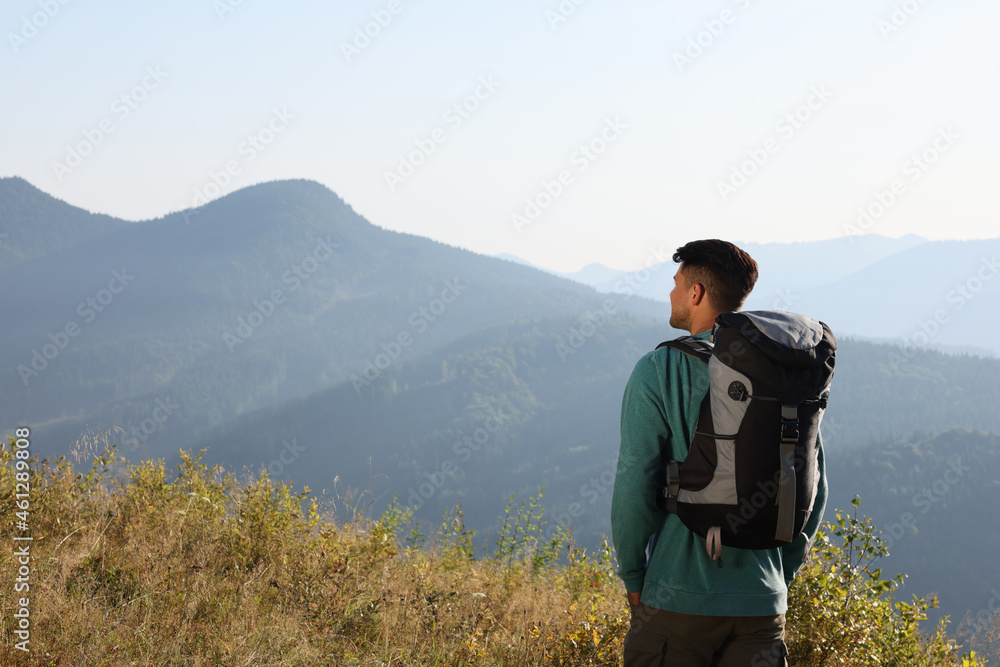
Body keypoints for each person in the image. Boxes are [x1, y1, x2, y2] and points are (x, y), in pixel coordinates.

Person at [610, 239, 827, 667]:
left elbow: (634, 481)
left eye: (676, 284)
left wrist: (634, 575)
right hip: (763, 603)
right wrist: (779, 572)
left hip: (678, 595)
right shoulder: (782, 372)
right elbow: (814, 486)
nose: (671, 294)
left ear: (697, 293)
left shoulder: (660, 369)